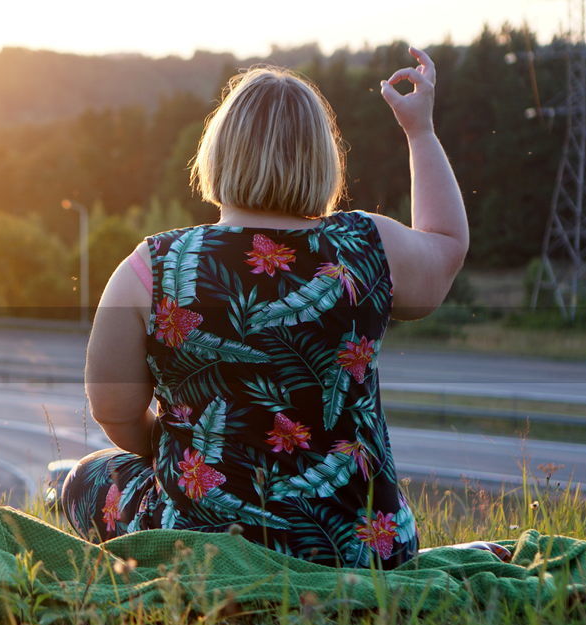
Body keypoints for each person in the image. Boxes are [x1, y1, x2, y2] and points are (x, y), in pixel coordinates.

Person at [58, 47, 477, 569]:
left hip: (201, 547)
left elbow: (112, 409)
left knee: (85, 477)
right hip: (364, 550)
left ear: (218, 154)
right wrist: (421, 133)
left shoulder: (152, 266)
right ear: (324, 159)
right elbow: (446, 244)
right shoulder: (370, 245)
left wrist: (177, 453)